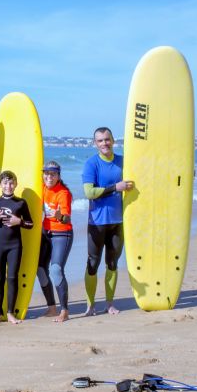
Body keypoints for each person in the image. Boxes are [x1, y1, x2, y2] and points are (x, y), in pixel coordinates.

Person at [82, 127, 134, 316]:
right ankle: (90, 305)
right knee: (92, 265)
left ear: (113, 140)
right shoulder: (91, 164)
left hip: (117, 222)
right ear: (95, 143)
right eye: (100, 140)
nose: (104, 143)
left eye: (107, 139)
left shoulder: (123, 162)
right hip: (96, 223)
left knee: (112, 264)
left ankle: (110, 304)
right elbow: (89, 192)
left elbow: (145, 173)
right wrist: (115, 188)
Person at [0, 170, 35, 326]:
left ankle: (11, 313)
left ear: (16, 184)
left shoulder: (20, 203)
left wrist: (18, 221)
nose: (8, 185)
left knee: (12, 278)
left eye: (11, 182)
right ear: (0, 185)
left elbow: (30, 224)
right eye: (5, 183)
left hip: (15, 246)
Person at [37, 161, 74, 323]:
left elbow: (67, 219)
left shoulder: (63, 193)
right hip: (46, 232)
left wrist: (59, 216)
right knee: (40, 269)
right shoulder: (43, 187)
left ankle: (64, 311)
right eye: (46, 173)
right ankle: (52, 308)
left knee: (56, 270)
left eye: (53, 174)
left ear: (58, 176)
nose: (49, 177)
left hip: (62, 233)